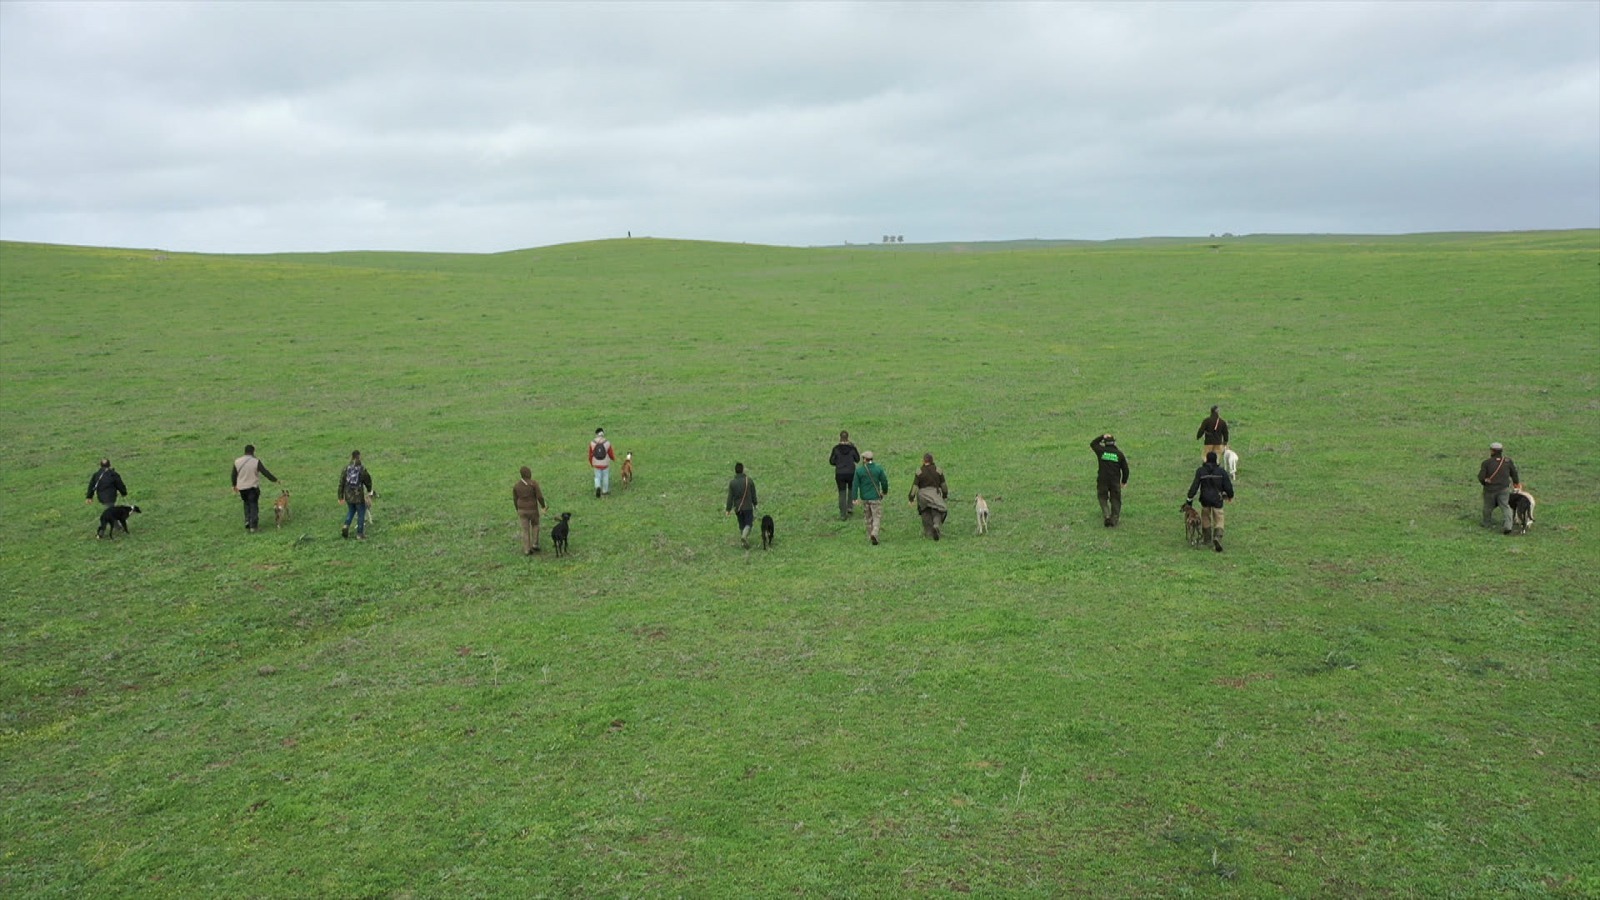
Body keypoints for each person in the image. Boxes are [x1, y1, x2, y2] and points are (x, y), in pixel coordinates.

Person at [1187, 450, 1235, 552]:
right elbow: (1228, 486)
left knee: (1205, 517)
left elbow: (1194, 486)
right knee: (1219, 518)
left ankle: (1207, 539)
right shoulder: (1221, 472)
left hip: (1205, 499)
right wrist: (1230, 495)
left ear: (1207, 459)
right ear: (1216, 460)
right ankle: (1217, 537)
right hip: (1217, 499)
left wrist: (1189, 499)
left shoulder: (1201, 471)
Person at [1477, 442, 1523, 535]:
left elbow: (1481, 477)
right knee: (1505, 506)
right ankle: (1508, 526)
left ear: (1492, 451)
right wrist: (1516, 483)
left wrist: (1485, 483)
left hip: (1490, 489)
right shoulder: (1507, 462)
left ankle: (1487, 523)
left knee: (1488, 507)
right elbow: (1514, 473)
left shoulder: (1486, 463)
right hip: (1503, 489)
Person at [232, 444, 279, 533]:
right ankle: (253, 526)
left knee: (246, 503)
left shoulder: (237, 461)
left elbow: (234, 475)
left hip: (242, 488)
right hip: (252, 487)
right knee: (253, 505)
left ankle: (247, 520)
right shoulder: (255, 461)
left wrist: (234, 485)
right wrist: (275, 480)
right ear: (253, 451)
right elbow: (265, 472)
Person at [1090, 434, 1130, 527]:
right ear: (1114, 442)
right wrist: (1124, 481)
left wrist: (1102, 436)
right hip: (1115, 481)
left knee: (1102, 497)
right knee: (1115, 499)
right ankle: (1114, 518)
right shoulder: (1119, 454)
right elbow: (1125, 469)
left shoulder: (1101, 451)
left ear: (1105, 443)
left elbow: (1093, 444)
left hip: (1102, 480)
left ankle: (1107, 515)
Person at [909, 452, 949, 540]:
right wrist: (945, 495)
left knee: (925, 512)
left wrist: (911, 498)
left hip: (922, 495)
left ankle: (929, 532)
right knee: (938, 510)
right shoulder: (938, 470)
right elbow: (943, 485)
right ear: (932, 460)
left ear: (924, 461)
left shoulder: (919, 471)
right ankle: (936, 525)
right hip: (934, 493)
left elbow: (915, 487)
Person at [852, 450, 889, 545]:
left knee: (868, 518)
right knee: (876, 516)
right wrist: (884, 491)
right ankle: (875, 533)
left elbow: (855, 485)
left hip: (865, 498)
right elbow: (884, 481)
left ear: (864, 459)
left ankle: (870, 535)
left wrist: (854, 497)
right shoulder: (878, 469)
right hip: (875, 497)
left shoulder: (859, 471)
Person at [337, 450, 373, 540]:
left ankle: (346, 525)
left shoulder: (346, 468)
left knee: (351, 510)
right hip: (358, 495)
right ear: (359, 457)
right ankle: (359, 534)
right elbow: (368, 480)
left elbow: (341, 483)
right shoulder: (361, 469)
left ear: (352, 457)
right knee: (361, 513)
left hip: (348, 495)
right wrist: (369, 490)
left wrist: (340, 497)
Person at [513, 466, 549, 555]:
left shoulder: (517, 486)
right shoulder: (533, 484)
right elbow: (539, 496)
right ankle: (535, 544)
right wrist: (543, 506)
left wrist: (517, 508)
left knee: (525, 530)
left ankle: (526, 549)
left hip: (522, 510)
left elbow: (515, 498)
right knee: (535, 525)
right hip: (532, 509)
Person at [724, 462, 759, 548]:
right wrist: (755, 503)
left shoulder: (732, 483)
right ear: (743, 470)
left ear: (735, 471)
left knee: (741, 524)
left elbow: (730, 497)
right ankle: (744, 536)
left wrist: (728, 509)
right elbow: (753, 494)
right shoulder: (749, 480)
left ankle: (743, 542)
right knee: (748, 524)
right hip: (747, 507)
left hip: (738, 509)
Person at [829, 430, 861, 519]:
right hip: (851, 472)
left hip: (840, 473)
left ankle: (843, 514)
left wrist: (838, 463)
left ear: (840, 437)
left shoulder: (836, 449)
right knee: (851, 489)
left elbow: (831, 461)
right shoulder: (852, 448)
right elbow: (857, 459)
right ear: (848, 437)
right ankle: (850, 506)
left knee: (842, 492)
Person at [589, 428, 615, 498]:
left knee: (597, 477)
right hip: (605, 463)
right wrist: (613, 458)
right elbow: (610, 453)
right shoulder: (607, 442)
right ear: (603, 433)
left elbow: (590, 454)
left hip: (596, 463)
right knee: (605, 476)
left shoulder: (592, 443)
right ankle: (605, 491)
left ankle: (598, 486)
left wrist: (591, 462)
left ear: (596, 434)